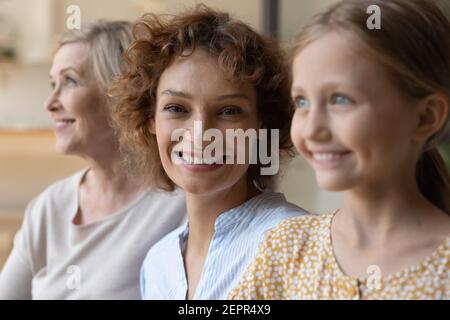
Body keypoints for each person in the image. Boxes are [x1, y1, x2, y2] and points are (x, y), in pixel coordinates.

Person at [230, 0, 450, 300]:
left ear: (425, 117)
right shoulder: (285, 249)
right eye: (302, 102)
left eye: (341, 100)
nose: (312, 129)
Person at [111, 5, 307, 300]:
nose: (201, 135)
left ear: (261, 123)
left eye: (229, 111)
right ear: (151, 119)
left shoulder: (298, 244)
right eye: (176, 109)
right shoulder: (157, 264)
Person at [0, 21, 186, 300]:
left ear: (123, 95)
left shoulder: (183, 205)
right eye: (53, 84)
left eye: (70, 81)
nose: (50, 103)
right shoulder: (49, 207)